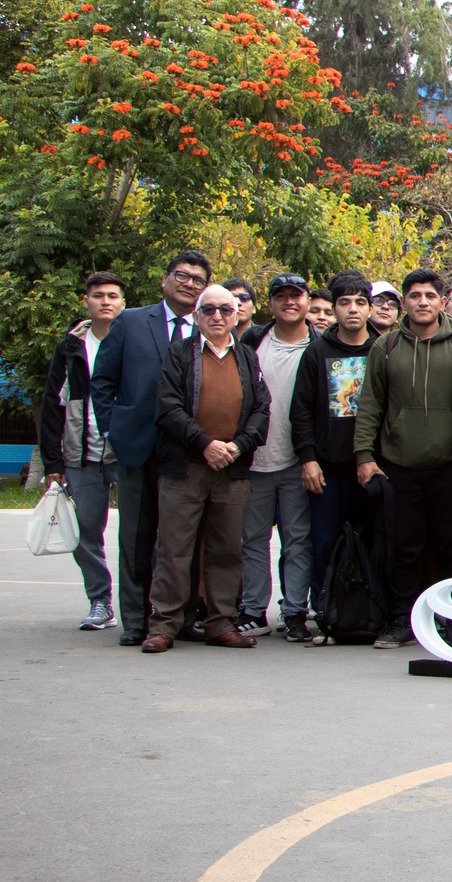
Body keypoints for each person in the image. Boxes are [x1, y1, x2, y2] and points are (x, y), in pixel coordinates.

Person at [141, 284, 270, 652]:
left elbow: (262, 409)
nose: (217, 317)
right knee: (173, 550)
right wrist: (205, 443)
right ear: (196, 316)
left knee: (227, 550)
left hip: (231, 469)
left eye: (225, 310)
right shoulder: (179, 354)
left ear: (237, 315)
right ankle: (164, 625)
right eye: (209, 310)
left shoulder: (247, 357)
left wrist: (237, 446)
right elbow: (167, 408)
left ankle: (221, 623)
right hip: (186, 467)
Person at [92, 250, 212, 645]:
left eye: (197, 279)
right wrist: (113, 428)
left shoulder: (209, 327)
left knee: (184, 539)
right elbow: (103, 381)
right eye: (182, 275)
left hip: (188, 448)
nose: (189, 283)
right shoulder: (129, 321)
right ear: (165, 279)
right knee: (138, 537)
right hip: (137, 445)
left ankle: (182, 617)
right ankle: (135, 620)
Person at [354, 269, 452, 649]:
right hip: (399, 465)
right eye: (415, 295)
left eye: (430, 295)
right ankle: (400, 620)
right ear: (403, 302)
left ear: (442, 301)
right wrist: (364, 455)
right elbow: (370, 404)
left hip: (451, 463)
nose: (422, 301)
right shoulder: (385, 347)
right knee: (404, 548)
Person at [291, 271, 381, 622]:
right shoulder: (317, 352)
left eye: (360, 302)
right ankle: (325, 609)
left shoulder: (384, 348)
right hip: (328, 468)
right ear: (334, 308)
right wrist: (308, 459)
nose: (353, 310)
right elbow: (299, 411)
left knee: (373, 541)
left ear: (371, 308)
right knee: (324, 542)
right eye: (344, 303)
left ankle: (370, 610)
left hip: (373, 466)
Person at [39, 271, 126, 631]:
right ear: (85, 301)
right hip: (80, 452)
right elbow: (52, 405)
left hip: (125, 451)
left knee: (140, 528)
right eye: (98, 295)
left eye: (112, 296)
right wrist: (52, 461)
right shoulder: (70, 347)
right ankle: (100, 600)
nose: (105, 301)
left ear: (123, 303)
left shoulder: (133, 340)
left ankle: (147, 604)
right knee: (85, 531)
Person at [234, 274, 315, 641]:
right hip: (255, 457)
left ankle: (295, 609)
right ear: (270, 304)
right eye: (280, 296)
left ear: (307, 301)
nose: (288, 302)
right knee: (253, 538)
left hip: (299, 459)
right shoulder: (252, 341)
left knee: (297, 538)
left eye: (295, 296)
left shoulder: (320, 344)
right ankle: (254, 609)